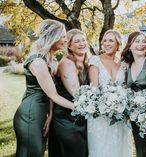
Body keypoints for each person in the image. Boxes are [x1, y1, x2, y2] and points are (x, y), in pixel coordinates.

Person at [13, 19, 75, 157]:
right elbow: (54, 95)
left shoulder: (48, 58)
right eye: (63, 36)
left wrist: (50, 114)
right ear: (53, 36)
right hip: (31, 113)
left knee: (37, 152)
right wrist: (78, 107)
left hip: (42, 112)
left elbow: (49, 93)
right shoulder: (38, 62)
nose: (66, 40)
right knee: (31, 153)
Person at [87, 29, 133, 157]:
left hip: (120, 115)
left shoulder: (124, 64)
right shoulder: (95, 60)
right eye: (104, 41)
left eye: (111, 40)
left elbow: (126, 87)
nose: (106, 43)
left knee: (119, 149)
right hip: (100, 115)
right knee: (102, 149)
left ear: (118, 44)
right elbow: (94, 89)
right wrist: (106, 104)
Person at [48, 29, 89, 157]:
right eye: (77, 41)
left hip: (82, 113)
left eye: (83, 40)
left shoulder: (87, 62)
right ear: (69, 46)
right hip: (67, 116)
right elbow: (77, 94)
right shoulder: (67, 64)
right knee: (74, 151)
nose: (82, 43)